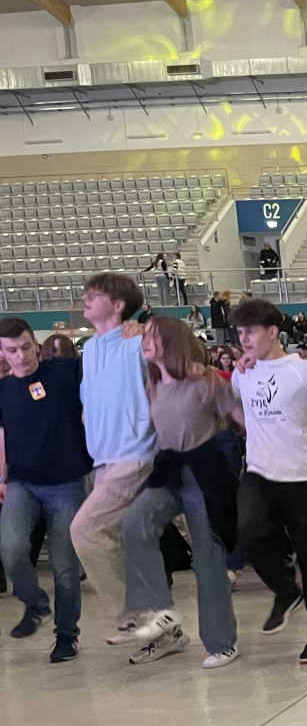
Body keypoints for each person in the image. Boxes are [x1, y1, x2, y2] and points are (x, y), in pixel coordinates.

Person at [119, 317, 240, 668]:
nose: (145, 342)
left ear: (172, 342)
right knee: (135, 523)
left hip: (205, 471)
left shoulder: (206, 380)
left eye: (153, 336)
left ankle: (222, 641)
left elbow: (243, 415)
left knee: (207, 556)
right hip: (169, 469)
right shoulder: (153, 383)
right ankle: (164, 618)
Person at [230, 298, 307, 665]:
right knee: (249, 529)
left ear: (273, 332)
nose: (244, 338)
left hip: (304, 474)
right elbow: (237, 405)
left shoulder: (304, 370)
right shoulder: (242, 372)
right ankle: (284, 590)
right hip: (260, 471)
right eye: (240, 332)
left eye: (250, 331)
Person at [70, 272, 159, 642]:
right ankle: (161, 624)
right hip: (104, 458)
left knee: (85, 530)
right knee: (115, 542)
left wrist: (148, 329)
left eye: (95, 294)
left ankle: (138, 617)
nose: (86, 298)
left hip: (134, 453)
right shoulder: (90, 349)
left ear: (119, 305)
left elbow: (177, 357)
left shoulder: (138, 341)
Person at [0, 319, 91, 662]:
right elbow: (2, 434)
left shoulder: (63, 372)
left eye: (26, 347)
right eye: (12, 350)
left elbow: (103, 372)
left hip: (66, 482)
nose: (21, 356)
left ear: (35, 345)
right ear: (2, 353)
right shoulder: (4, 389)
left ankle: (66, 635)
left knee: (65, 566)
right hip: (22, 482)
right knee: (10, 547)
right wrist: (2, 478)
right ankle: (35, 602)